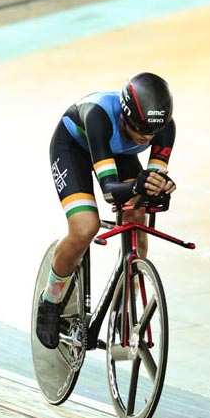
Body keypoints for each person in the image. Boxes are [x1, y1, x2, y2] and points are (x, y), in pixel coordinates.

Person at [35, 72, 176, 349]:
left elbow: (151, 184)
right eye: (140, 130)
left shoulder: (165, 128)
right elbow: (110, 189)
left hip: (118, 155)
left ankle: (126, 305)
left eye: (152, 133)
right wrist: (138, 184)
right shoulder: (99, 115)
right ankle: (50, 301)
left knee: (138, 213)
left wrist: (160, 185)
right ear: (125, 117)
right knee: (85, 226)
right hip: (74, 148)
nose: (146, 138)